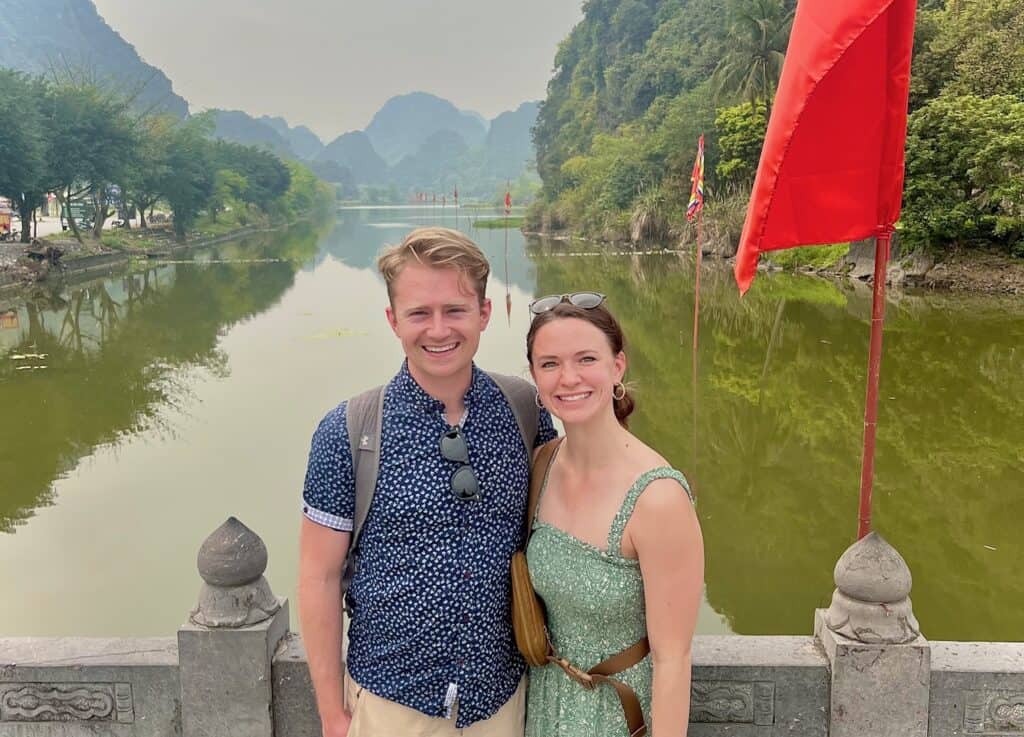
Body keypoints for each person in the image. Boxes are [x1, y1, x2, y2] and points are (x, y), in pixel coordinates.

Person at [298, 227, 556, 737]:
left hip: (500, 697)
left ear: (484, 313)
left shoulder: (525, 411)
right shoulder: (349, 431)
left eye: (455, 310)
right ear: (394, 320)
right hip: (390, 702)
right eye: (419, 313)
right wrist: (332, 712)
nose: (438, 330)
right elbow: (318, 578)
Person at [523, 292, 704, 737]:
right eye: (549, 364)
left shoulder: (658, 497)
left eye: (586, 359)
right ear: (534, 375)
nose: (569, 378)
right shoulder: (542, 465)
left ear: (617, 367)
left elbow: (673, 658)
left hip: (617, 715)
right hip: (546, 707)